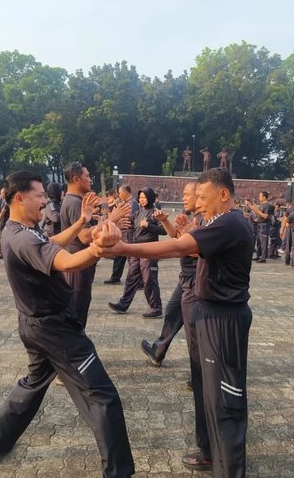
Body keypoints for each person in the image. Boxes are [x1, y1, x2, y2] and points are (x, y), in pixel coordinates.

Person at [0, 171, 134, 477]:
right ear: (20, 197)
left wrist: (82, 221)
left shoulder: (21, 231)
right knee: (101, 394)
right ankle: (119, 471)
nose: (45, 201)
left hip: (36, 326)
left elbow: (52, 241)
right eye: (40, 196)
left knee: (31, 386)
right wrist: (98, 249)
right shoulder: (23, 238)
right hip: (55, 330)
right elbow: (66, 262)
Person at [95, 168, 254, 478]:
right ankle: (212, 455)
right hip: (210, 313)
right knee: (208, 392)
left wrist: (124, 248)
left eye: (203, 198)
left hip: (224, 319)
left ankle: (230, 470)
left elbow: (179, 248)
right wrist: (176, 230)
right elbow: (189, 246)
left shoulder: (229, 223)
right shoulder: (216, 222)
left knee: (226, 400)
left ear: (224, 195)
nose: (198, 204)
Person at [60, 162, 131, 328]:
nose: (90, 180)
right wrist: (111, 219)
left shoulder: (77, 201)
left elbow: (88, 232)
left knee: (80, 310)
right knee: (76, 314)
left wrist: (110, 226)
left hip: (82, 265)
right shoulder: (74, 203)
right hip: (77, 265)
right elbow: (84, 237)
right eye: (87, 176)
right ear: (76, 179)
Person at [141, 182, 201, 367]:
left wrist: (133, 250)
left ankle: (200, 374)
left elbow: (186, 247)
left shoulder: (204, 220)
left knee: (193, 327)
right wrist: (165, 220)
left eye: (186, 194)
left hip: (195, 277)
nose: (183, 197)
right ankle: (158, 351)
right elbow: (178, 238)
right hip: (186, 276)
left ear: (199, 196)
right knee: (173, 312)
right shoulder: (193, 217)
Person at [108, 187, 167, 318]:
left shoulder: (155, 212)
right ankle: (123, 304)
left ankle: (156, 308)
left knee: (149, 279)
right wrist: (116, 220)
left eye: (144, 197)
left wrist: (149, 226)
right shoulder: (138, 212)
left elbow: (164, 231)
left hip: (149, 250)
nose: (142, 200)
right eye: (140, 198)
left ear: (150, 198)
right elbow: (129, 222)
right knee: (131, 276)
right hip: (136, 249)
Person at [104, 185, 140, 285]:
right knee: (119, 256)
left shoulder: (132, 203)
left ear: (125, 192)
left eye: (120, 192)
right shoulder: (126, 203)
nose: (119, 195)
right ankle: (115, 277)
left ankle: (139, 281)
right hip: (123, 234)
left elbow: (130, 218)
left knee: (131, 259)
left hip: (129, 233)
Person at [245, 191, 273, 263]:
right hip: (259, 225)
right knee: (259, 241)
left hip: (264, 225)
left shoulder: (267, 205)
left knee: (263, 242)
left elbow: (265, 216)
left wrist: (256, 210)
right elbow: (259, 215)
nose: (259, 197)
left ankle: (263, 257)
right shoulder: (261, 205)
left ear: (264, 197)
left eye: (260, 196)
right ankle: (259, 255)